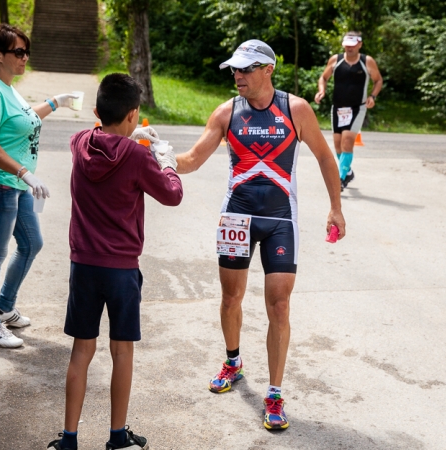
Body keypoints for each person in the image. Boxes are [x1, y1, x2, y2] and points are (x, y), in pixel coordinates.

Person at [175, 39, 346, 430]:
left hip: (280, 219)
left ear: (268, 70)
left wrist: (335, 207)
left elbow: (324, 155)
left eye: (246, 69)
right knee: (231, 297)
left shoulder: (295, 109)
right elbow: (192, 160)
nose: (238, 75)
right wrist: (157, 154)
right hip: (236, 217)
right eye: (235, 69)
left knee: (279, 306)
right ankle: (233, 362)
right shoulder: (225, 113)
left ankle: (274, 393)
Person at [47, 73, 182, 450]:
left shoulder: (79, 143)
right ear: (134, 113)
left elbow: (101, 135)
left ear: (96, 111)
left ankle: (69, 438)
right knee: (121, 350)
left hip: (84, 265)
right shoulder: (139, 156)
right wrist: (164, 159)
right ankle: (117, 437)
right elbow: (172, 196)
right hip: (121, 269)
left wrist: (128, 132)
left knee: (81, 349)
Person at [0, 24, 80, 348]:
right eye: (18, 52)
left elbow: (24, 117)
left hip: (14, 185)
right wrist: (23, 173)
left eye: (26, 51)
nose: (25, 58)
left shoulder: (8, 85)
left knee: (32, 243)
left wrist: (56, 102)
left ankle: (4, 306)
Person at [315, 31, 383, 190]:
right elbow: (323, 78)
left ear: (359, 44)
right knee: (338, 145)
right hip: (338, 107)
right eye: (347, 45)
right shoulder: (335, 60)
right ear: (343, 44)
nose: (349, 48)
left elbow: (378, 80)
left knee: (347, 141)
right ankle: (348, 172)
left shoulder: (367, 61)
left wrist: (372, 96)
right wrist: (321, 90)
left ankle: (340, 179)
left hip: (357, 107)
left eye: (353, 45)